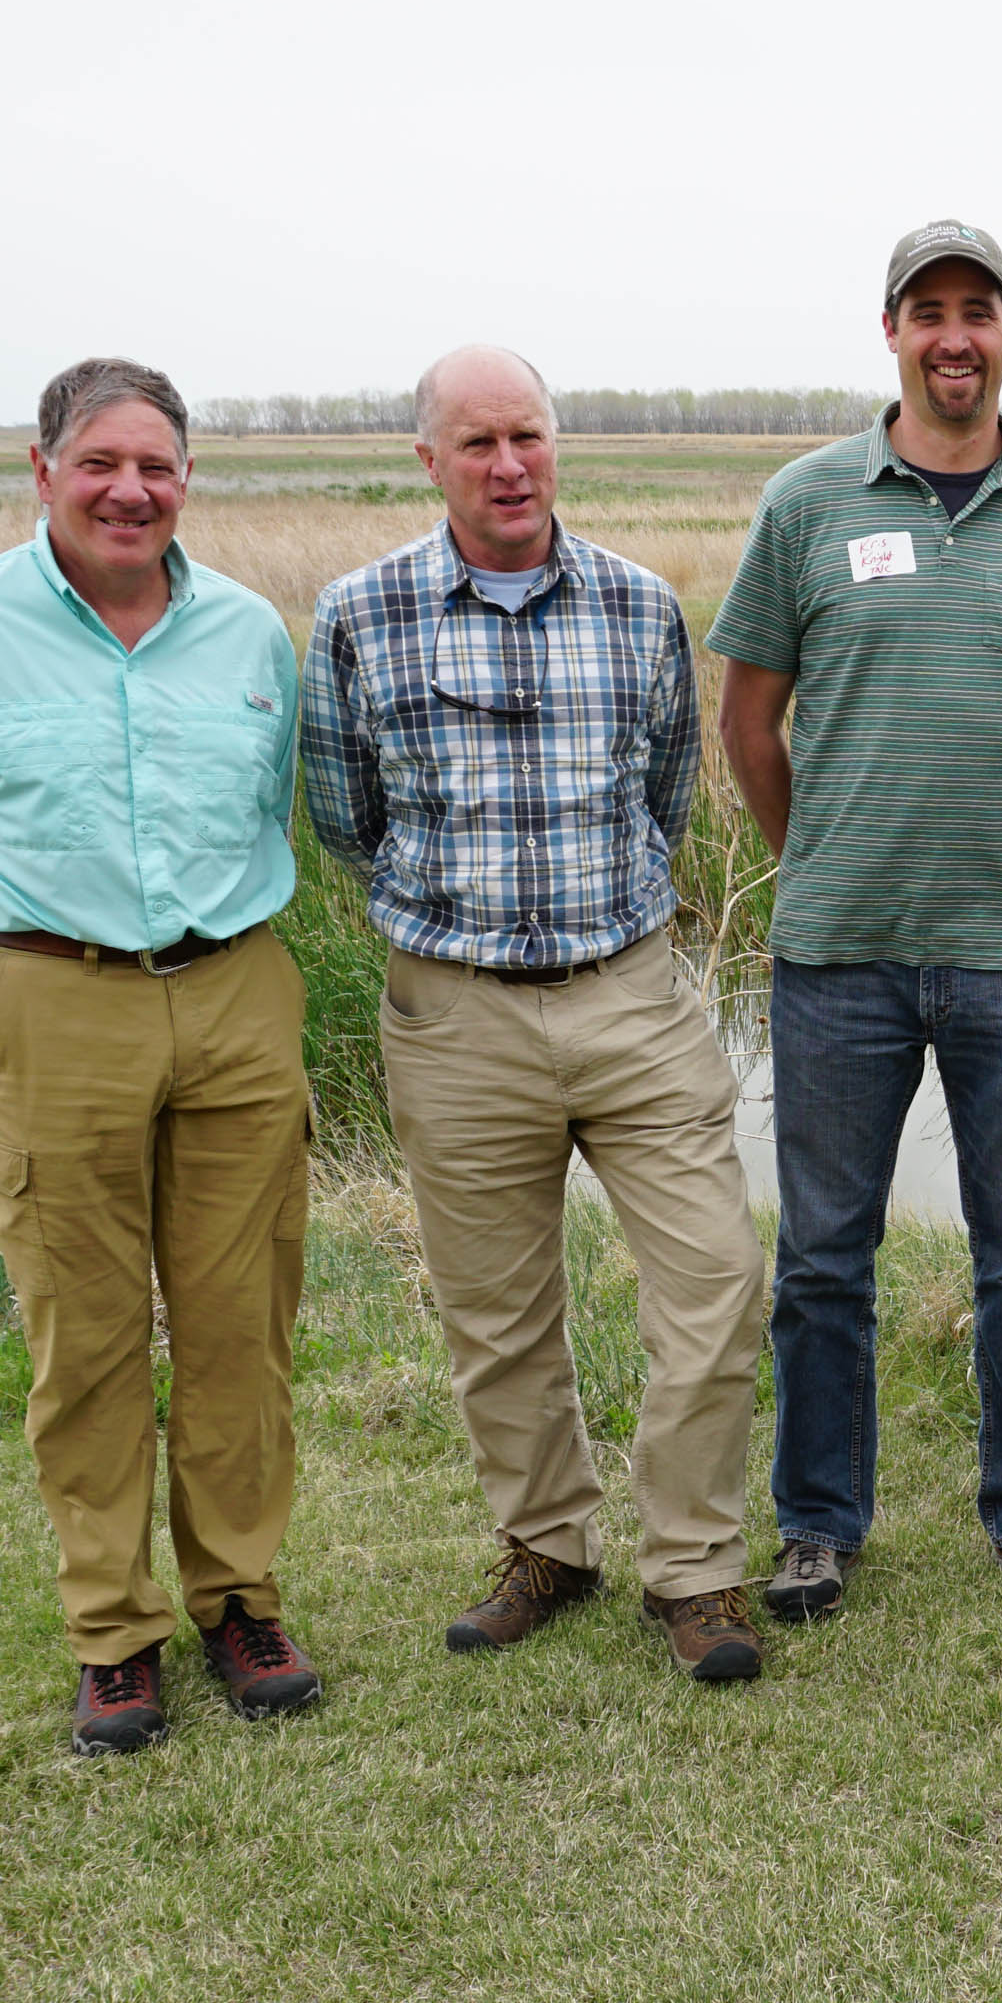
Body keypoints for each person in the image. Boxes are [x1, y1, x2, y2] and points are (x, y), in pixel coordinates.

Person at [0, 357, 319, 1756]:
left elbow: (276, 801)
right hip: (48, 996)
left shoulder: (248, 634)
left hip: (235, 988)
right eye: (102, 463)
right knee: (87, 1328)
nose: (133, 489)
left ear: (189, 478)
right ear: (43, 468)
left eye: (161, 466)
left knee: (242, 1320)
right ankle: (113, 1631)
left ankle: (236, 1595)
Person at [303, 347, 773, 1688]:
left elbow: (667, 793)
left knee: (712, 1282)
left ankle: (693, 1566)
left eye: (528, 435)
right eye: (476, 442)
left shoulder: (637, 604)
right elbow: (349, 818)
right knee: (496, 1311)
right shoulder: (358, 613)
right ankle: (549, 1547)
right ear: (429, 461)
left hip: (631, 998)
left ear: (556, 443)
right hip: (454, 1016)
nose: (508, 464)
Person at [712, 221, 1002, 1620]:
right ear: (891, 329)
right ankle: (820, 1521)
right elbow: (752, 718)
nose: (953, 334)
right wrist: (822, 857)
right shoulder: (808, 501)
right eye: (927, 310)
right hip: (840, 957)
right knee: (822, 1257)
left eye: (978, 308)